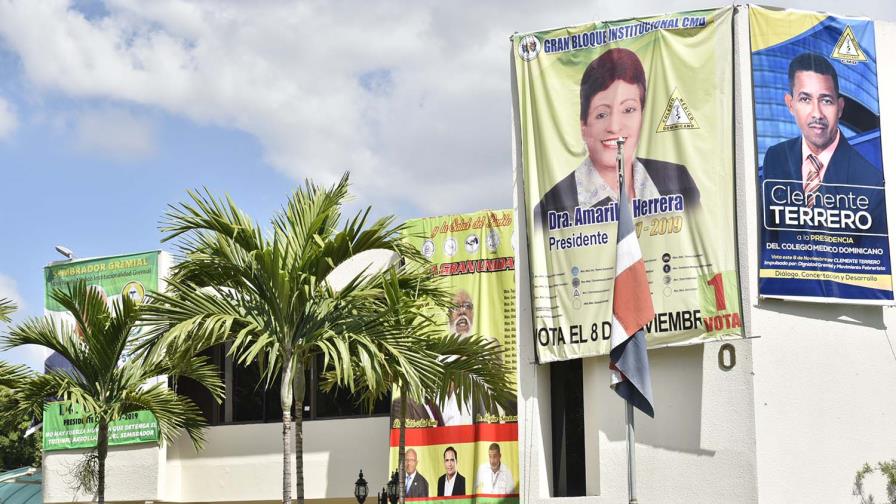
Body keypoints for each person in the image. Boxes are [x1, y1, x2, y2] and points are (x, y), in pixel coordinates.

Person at [533, 47, 700, 230]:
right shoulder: (551, 206)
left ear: (642, 116)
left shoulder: (678, 179)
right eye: (602, 114)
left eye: (628, 110)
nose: (614, 126)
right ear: (583, 126)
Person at [762, 52, 883, 188]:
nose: (817, 114)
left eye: (826, 100)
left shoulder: (870, 180)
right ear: (790, 104)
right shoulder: (774, 158)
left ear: (840, 108)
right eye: (805, 99)